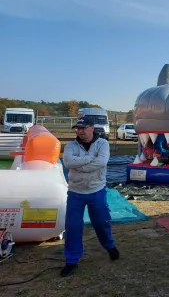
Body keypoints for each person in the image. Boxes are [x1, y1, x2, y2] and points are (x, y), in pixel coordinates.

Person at [60, 117, 119, 277]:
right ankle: (72, 260)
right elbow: (68, 163)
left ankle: (109, 246)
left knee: (102, 222)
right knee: (72, 226)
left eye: (83, 128)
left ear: (92, 128)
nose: (80, 131)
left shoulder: (103, 144)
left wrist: (80, 165)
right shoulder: (71, 145)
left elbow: (101, 162)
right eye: (77, 129)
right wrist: (87, 160)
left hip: (96, 190)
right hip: (75, 192)